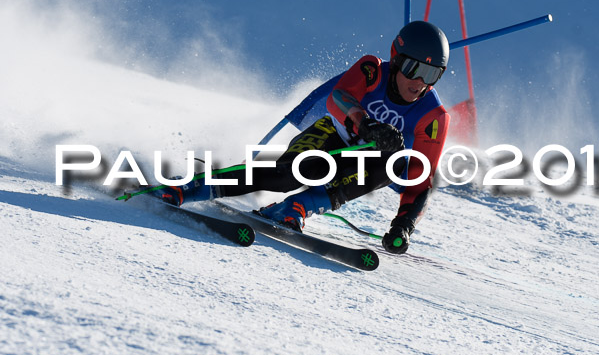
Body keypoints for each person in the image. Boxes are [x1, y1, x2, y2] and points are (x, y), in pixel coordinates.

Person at [154, 21, 450, 255]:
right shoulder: (372, 70)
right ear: (397, 60)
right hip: (333, 135)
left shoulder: (433, 116)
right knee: (288, 174)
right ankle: (195, 186)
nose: (420, 82)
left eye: (432, 73)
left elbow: (420, 178)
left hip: (362, 163)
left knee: (394, 161)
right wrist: (364, 124)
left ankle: (296, 207)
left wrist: (403, 225)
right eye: (414, 69)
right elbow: (339, 97)